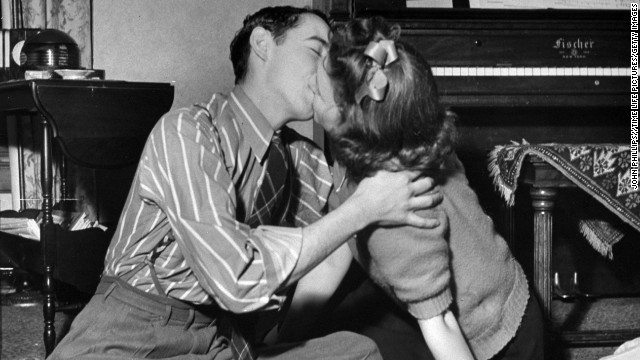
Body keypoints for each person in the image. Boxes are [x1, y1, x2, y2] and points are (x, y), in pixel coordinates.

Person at [47, 7, 444, 360]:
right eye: (316, 51)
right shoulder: (187, 133)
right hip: (134, 329)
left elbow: (378, 185)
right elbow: (236, 278)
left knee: (359, 351)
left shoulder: (308, 162)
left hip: (219, 339)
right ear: (262, 44)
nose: (329, 70)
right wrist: (362, 209)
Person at [297, 16, 545, 360]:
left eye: (318, 85)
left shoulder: (397, 218)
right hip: (480, 293)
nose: (308, 81)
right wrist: (280, 337)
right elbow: (336, 253)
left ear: (347, 117)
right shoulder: (396, 136)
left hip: (496, 339)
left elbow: (441, 324)